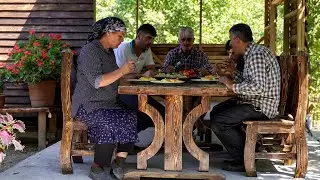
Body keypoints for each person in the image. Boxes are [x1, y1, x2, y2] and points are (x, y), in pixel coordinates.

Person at [72, 17, 137, 180]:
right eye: (120, 36)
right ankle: (97, 167)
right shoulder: (89, 51)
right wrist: (123, 71)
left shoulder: (108, 52)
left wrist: (134, 74)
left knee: (130, 116)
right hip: (88, 105)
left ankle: (119, 162)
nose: (122, 40)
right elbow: (98, 81)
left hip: (108, 103)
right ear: (108, 33)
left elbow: (114, 76)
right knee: (110, 121)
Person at [210, 23, 281, 171]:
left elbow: (258, 87)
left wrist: (231, 85)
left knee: (219, 121)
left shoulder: (256, 54)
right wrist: (234, 72)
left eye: (230, 39)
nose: (230, 44)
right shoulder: (252, 53)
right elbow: (250, 81)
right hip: (255, 101)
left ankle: (244, 159)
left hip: (261, 106)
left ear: (237, 40)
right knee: (216, 111)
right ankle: (246, 149)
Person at [114, 24, 165, 133]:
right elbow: (119, 76)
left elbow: (152, 70)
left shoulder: (147, 50)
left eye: (152, 39)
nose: (150, 42)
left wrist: (157, 71)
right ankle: (123, 142)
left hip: (138, 91)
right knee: (149, 114)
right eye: (148, 38)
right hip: (120, 92)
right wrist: (143, 75)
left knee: (162, 112)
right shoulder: (123, 48)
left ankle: (126, 141)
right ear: (138, 37)